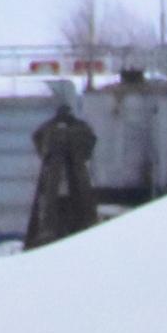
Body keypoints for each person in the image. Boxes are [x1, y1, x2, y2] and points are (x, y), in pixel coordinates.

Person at [25, 104, 101, 251]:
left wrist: (47, 154)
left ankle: (52, 231)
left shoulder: (49, 128)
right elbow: (91, 141)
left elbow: (37, 137)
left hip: (56, 180)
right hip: (73, 179)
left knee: (52, 207)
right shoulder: (80, 128)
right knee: (79, 207)